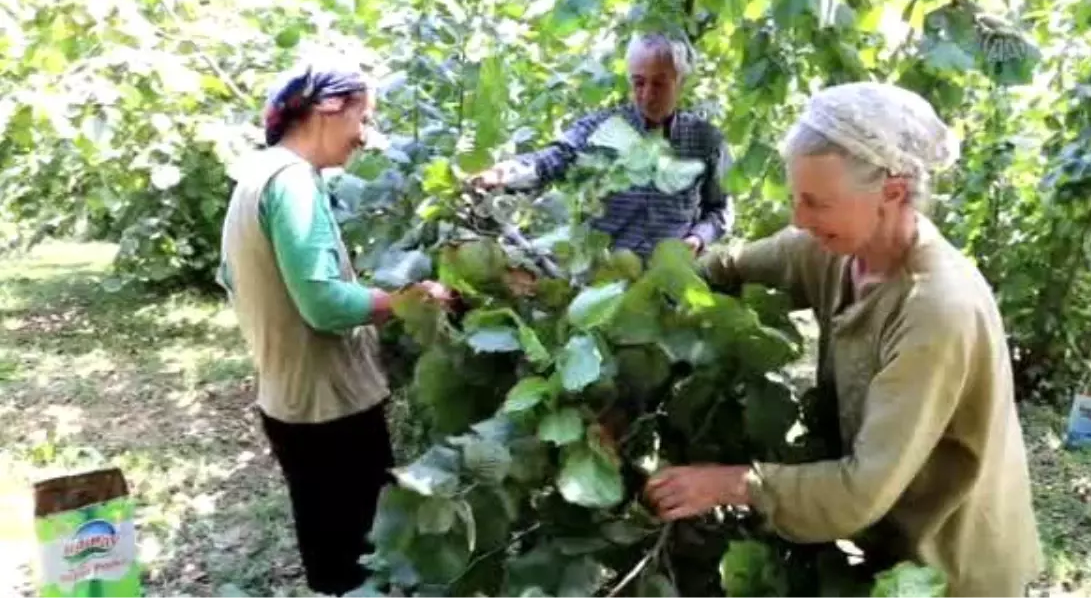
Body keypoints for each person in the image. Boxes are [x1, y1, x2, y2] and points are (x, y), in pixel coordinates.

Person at [642, 82, 1043, 597]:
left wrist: (728, 483)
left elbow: (859, 493)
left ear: (892, 194)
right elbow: (725, 267)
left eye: (816, 202)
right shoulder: (832, 249)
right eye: (796, 198)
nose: (799, 219)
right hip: (890, 546)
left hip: (954, 569)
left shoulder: (937, 310)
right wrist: (646, 294)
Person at [218, 57, 447, 596]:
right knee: (363, 562)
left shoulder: (257, 176)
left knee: (330, 557)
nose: (364, 136)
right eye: (361, 118)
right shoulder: (293, 182)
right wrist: (404, 301)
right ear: (327, 108)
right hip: (329, 409)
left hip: (292, 399)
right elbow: (322, 302)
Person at [473, 32, 733, 257]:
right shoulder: (601, 129)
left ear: (681, 83)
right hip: (601, 276)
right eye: (639, 82)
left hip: (665, 280)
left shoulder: (705, 140)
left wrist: (699, 238)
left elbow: (721, 208)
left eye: (659, 84)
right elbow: (553, 158)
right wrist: (503, 172)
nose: (647, 94)